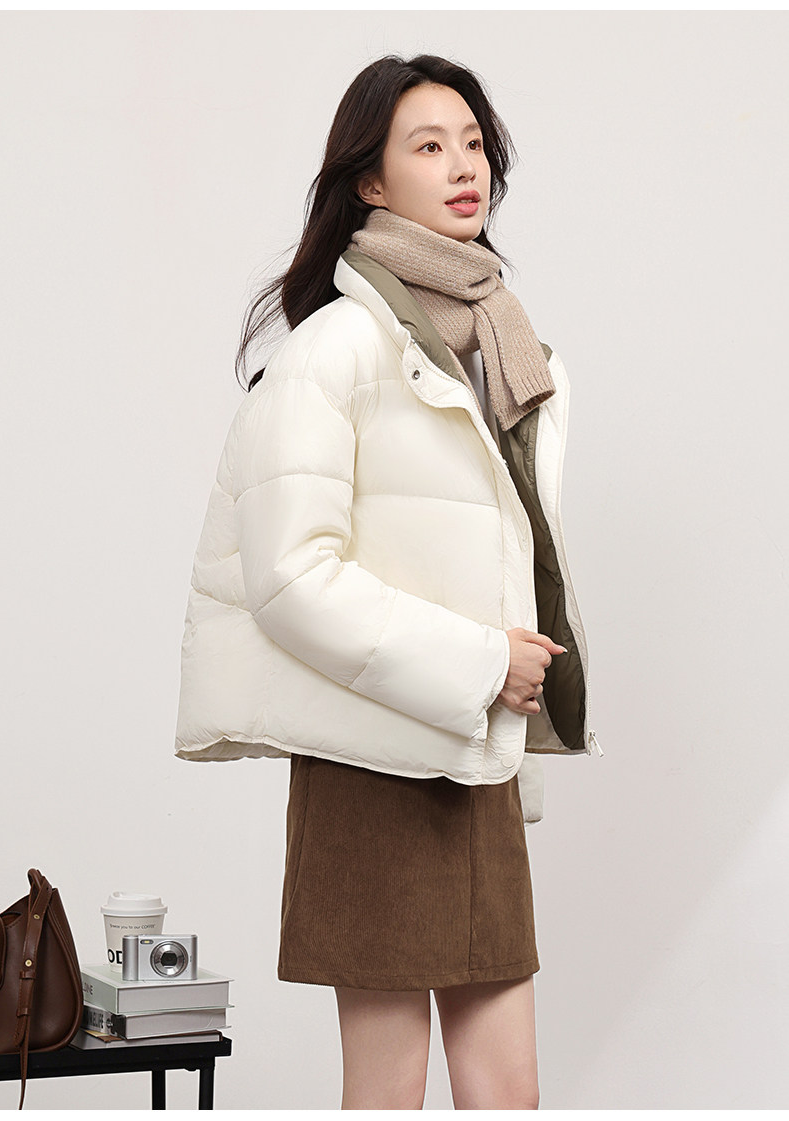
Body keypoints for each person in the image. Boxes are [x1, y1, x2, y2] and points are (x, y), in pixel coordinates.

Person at [173, 53, 600, 1110]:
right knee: (387, 1094)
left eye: (474, 145)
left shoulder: (496, 343)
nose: (464, 167)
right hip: (371, 761)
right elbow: (289, 578)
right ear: (370, 180)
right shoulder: (332, 352)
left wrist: (498, 677)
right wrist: (483, 661)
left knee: (508, 1093)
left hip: (475, 754)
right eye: (429, 145)